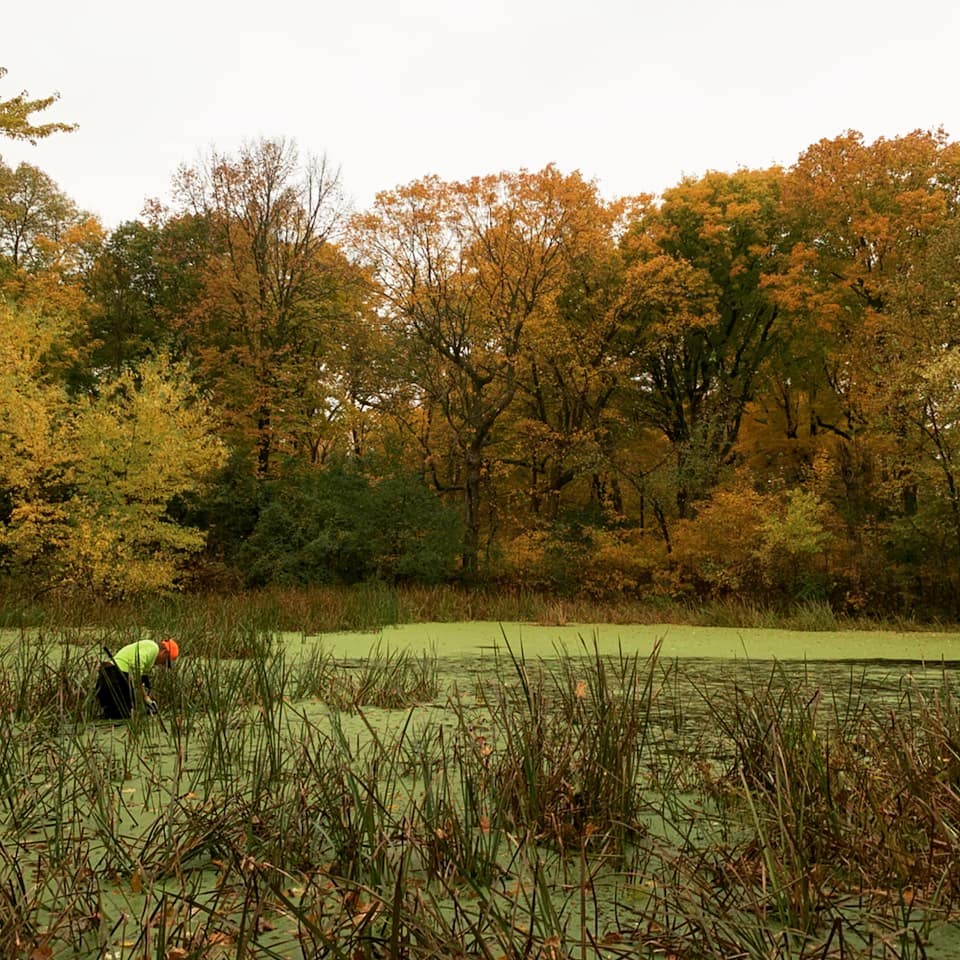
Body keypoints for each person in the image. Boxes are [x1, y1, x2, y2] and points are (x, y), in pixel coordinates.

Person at [95, 637, 179, 720]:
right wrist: (145, 697)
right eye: (165, 661)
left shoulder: (148, 656)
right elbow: (136, 666)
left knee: (117, 715)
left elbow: (143, 681)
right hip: (116, 677)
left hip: (108, 675)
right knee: (122, 715)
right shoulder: (153, 647)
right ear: (164, 652)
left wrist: (148, 700)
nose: (163, 664)